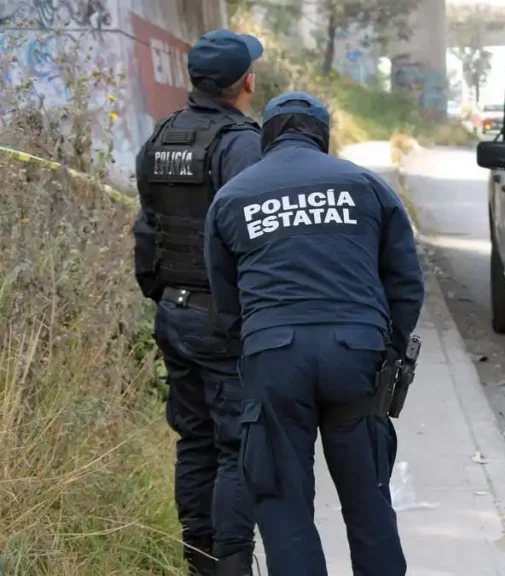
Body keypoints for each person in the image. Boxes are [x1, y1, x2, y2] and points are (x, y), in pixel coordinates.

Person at [203, 91, 425, 576]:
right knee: (369, 501)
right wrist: (389, 351)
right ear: (322, 135)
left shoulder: (233, 196)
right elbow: (406, 282)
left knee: (283, 506)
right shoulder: (366, 186)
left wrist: (258, 350)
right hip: (357, 356)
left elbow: (225, 302)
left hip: (275, 359)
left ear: (266, 136)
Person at [132, 28, 264, 576]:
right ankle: (231, 565)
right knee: (237, 447)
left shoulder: (159, 139)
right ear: (245, 83)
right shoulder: (242, 145)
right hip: (220, 319)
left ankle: (201, 562)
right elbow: (256, 237)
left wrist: (163, 297)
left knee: (194, 440)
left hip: (173, 311)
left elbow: (147, 230)